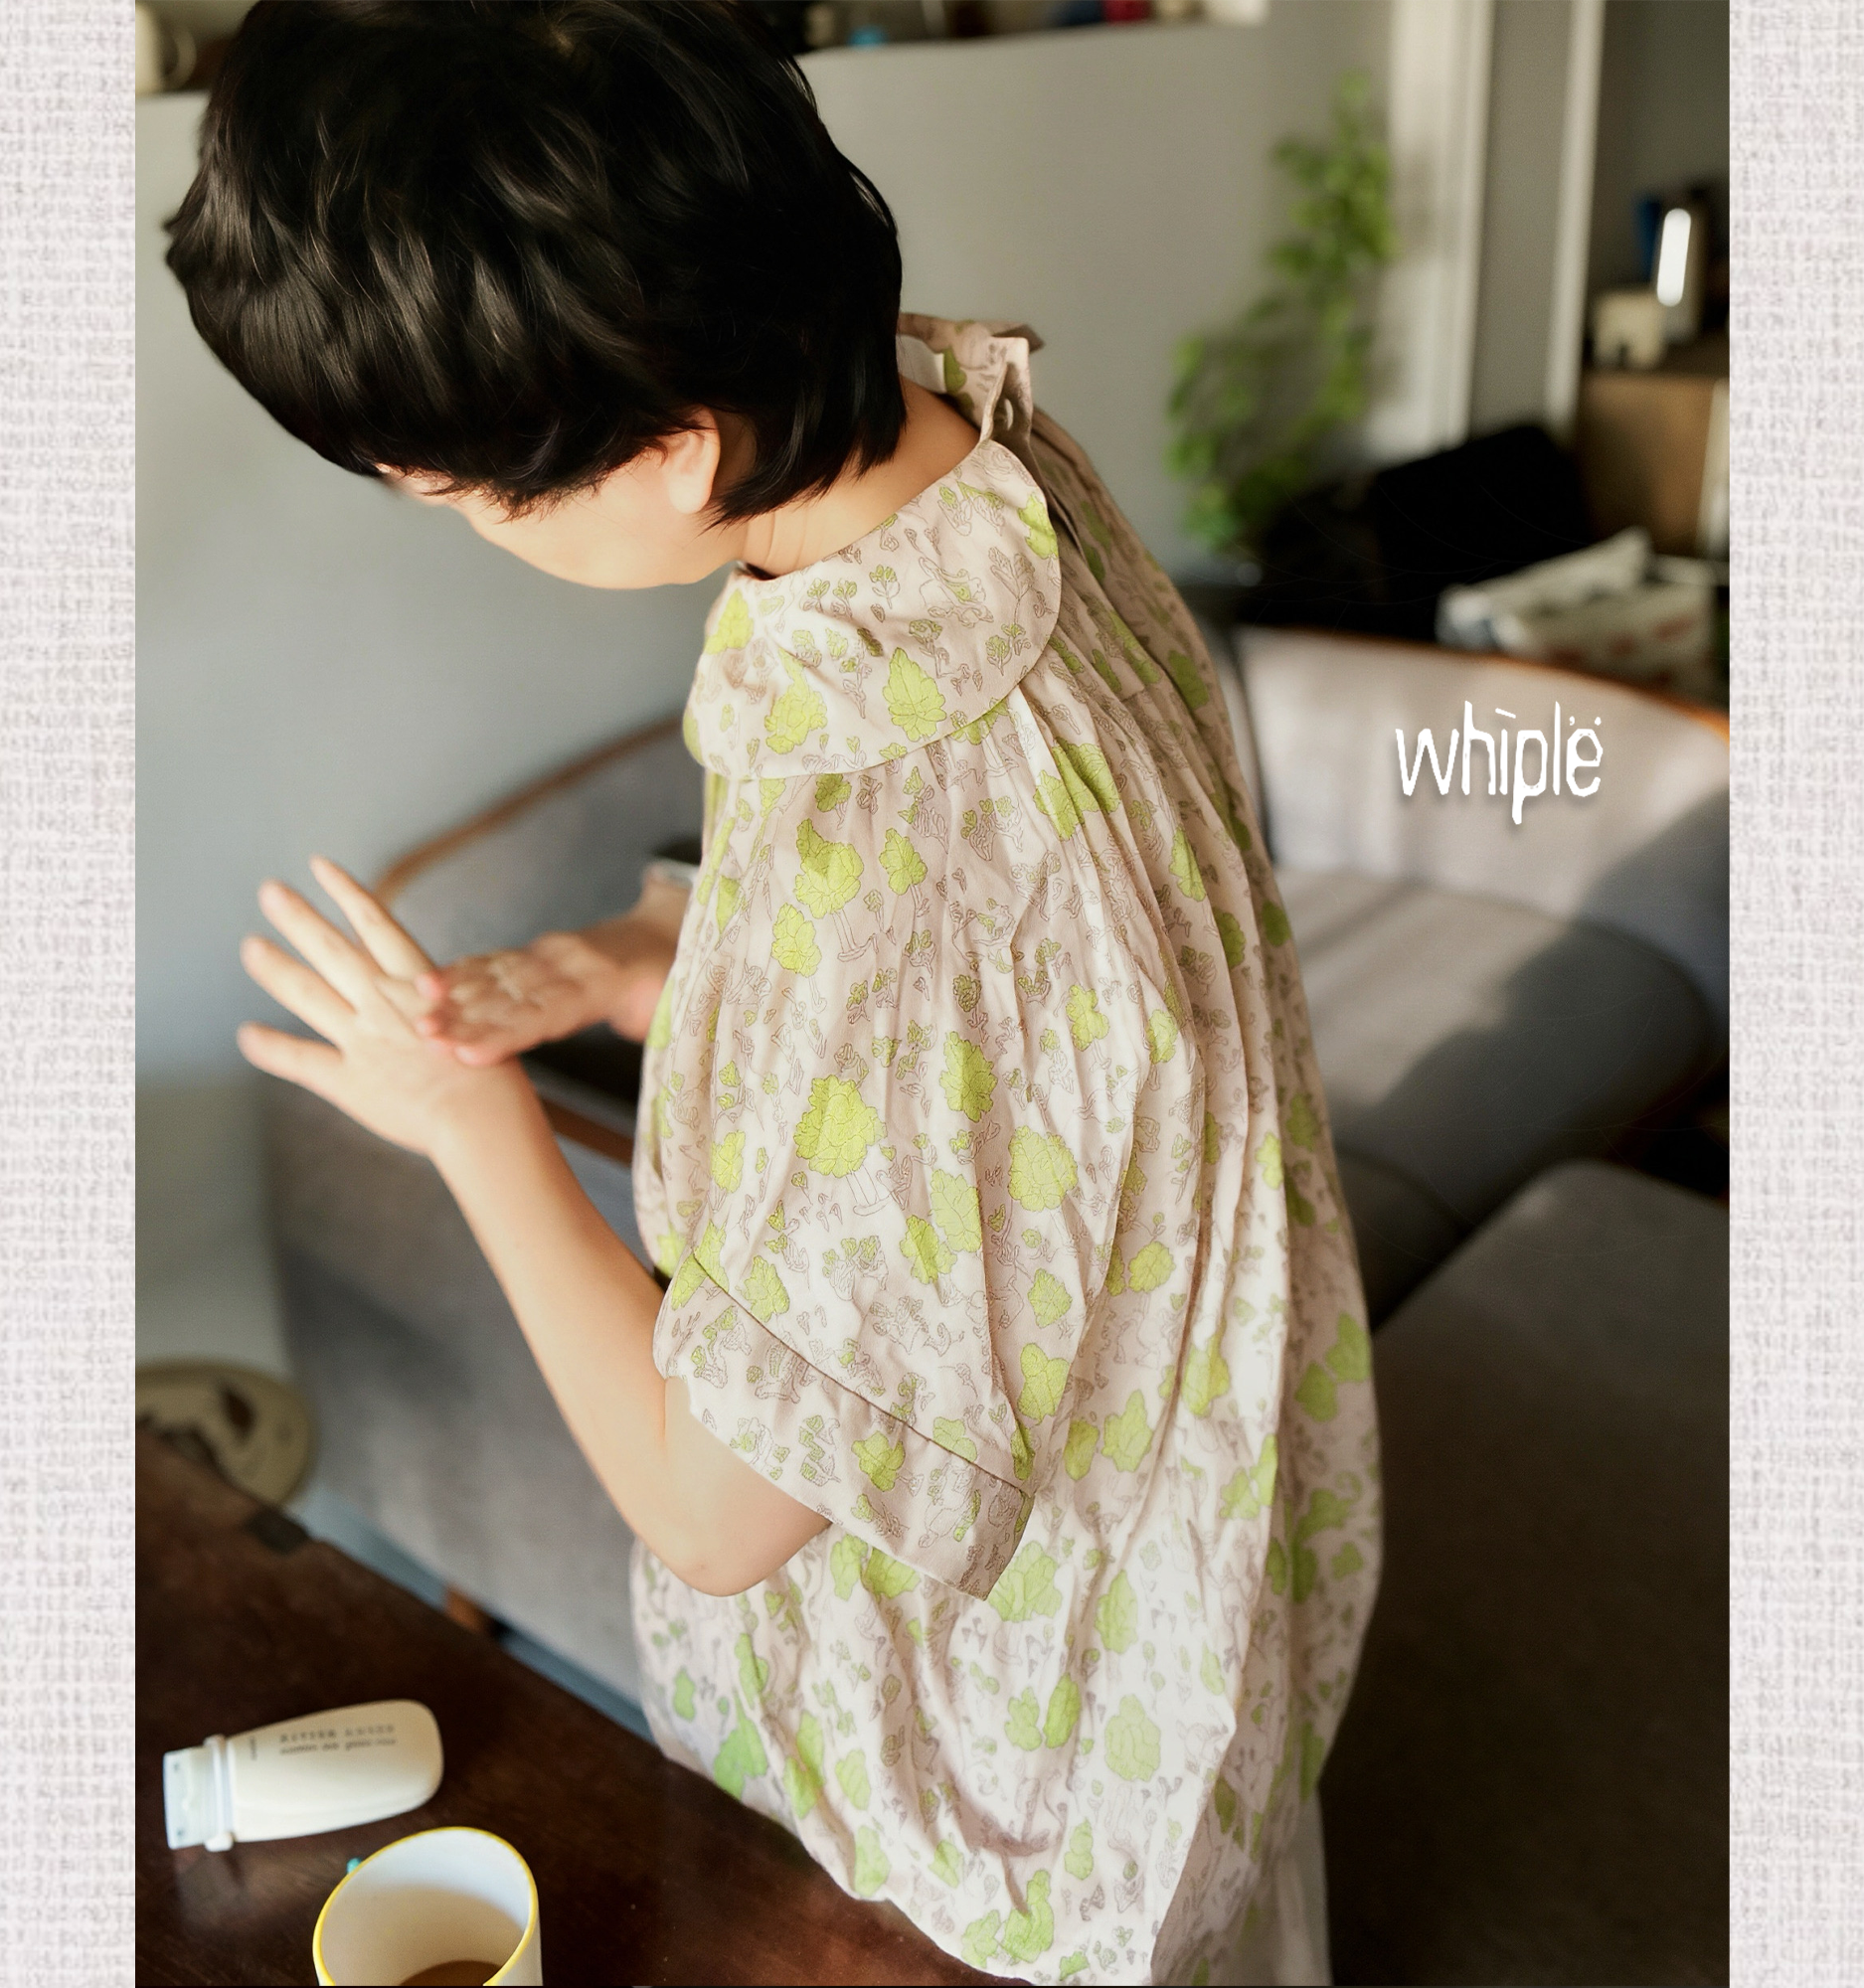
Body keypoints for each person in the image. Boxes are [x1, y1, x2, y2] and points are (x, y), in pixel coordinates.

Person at [167, 5, 1379, 1981]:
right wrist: (656, 960)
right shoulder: (969, 461)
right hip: (1189, 1533)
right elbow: (1027, 1022)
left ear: (675, 457)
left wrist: (472, 1124)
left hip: (1029, 1736)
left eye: (467, 498)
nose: (469, 534)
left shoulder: (899, 853)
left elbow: (716, 1511)